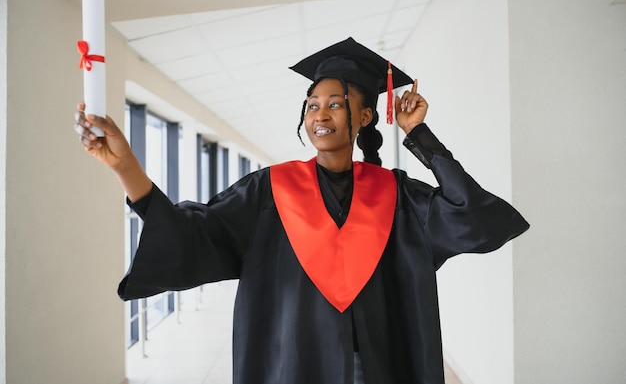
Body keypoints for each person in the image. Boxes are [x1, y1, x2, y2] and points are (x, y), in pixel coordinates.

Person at [75, 37, 529, 384]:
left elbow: (477, 218)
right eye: (312, 105)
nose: (320, 114)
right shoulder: (269, 190)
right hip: (291, 365)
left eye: (337, 103)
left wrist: (420, 135)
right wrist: (125, 166)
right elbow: (195, 233)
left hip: (378, 366)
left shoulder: (399, 195)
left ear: (366, 116)